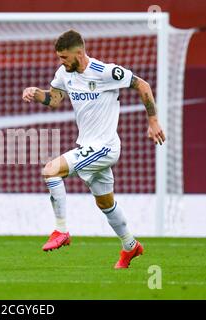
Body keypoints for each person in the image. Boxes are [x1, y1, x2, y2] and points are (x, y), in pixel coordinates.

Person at [22, 30, 165, 269]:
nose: (61, 62)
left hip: (105, 147)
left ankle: (61, 231)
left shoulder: (105, 72)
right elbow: (55, 100)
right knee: (106, 204)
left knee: (50, 171)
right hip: (88, 146)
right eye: (59, 58)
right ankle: (130, 246)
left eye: (65, 57)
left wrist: (153, 122)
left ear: (79, 52)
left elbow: (143, 85)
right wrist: (35, 93)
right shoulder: (64, 74)